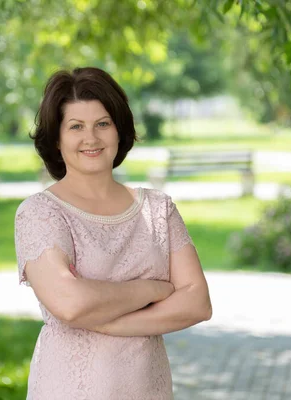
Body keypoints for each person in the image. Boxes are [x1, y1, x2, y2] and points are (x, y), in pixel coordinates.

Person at [14, 66, 212, 400]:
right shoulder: (39, 213)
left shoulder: (158, 210)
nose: (91, 138)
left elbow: (197, 304)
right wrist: (153, 289)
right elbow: (71, 304)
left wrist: (108, 321)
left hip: (148, 389)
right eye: (76, 126)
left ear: (120, 130)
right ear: (57, 138)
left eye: (102, 123)